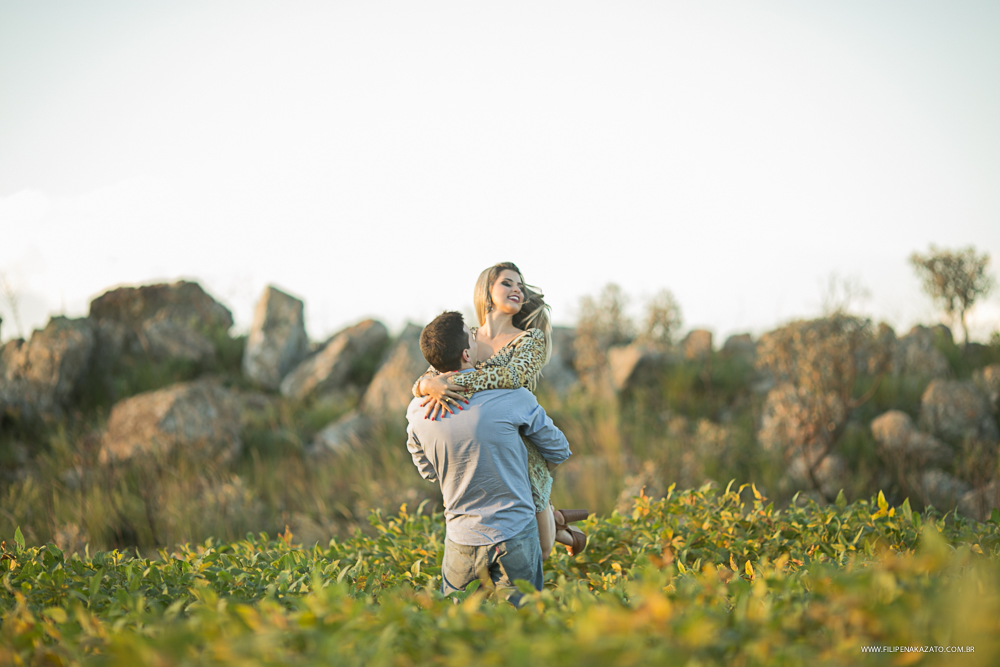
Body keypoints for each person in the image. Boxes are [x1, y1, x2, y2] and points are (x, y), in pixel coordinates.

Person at [412, 262, 587, 558]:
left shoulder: (531, 339)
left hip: (520, 441)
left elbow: (512, 377)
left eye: (519, 285)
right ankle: (554, 523)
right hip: (476, 441)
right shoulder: (467, 336)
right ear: (487, 291)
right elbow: (432, 373)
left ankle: (566, 534)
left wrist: (453, 380)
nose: (516, 289)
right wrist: (426, 385)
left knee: (542, 551)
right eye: (507, 283)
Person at [406, 311, 572, 605]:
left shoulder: (417, 411)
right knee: (521, 629)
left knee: (459, 635)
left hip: (460, 539)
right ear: (467, 353)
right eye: (472, 334)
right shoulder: (512, 397)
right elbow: (559, 449)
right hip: (516, 534)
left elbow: (427, 470)